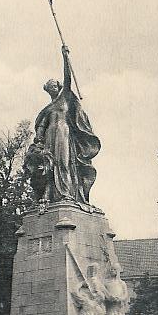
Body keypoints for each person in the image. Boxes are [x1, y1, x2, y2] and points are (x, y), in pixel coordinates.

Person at [30, 45, 101, 204]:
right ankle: (50, 195)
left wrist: (65, 58)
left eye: (54, 86)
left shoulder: (64, 98)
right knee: (50, 165)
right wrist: (39, 139)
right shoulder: (47, 109)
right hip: (50, 136)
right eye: (49, 88)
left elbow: (67, 77)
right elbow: (41, 126)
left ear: (59, 87)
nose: (52, 89)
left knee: (64, 162)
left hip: (64, 132)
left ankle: (66, 194)